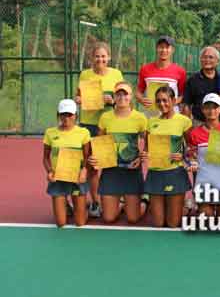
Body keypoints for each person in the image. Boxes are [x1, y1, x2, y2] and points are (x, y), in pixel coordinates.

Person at [87, 82, 148, 224]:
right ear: (114, 97)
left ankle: (144, 203)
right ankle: (121, 205)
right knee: (108, 218)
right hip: (111, 171)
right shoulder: (105, 118)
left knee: (133, 218)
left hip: (132, 171)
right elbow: (99, 140)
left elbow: (149, 141)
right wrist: (96, 158)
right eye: (118, 94)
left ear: (131, 97)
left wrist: (142, 156)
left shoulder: (140, 118)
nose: (122, 97)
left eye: (125, 94)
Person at [74, 42, 123, 218]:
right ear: (91, 58)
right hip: (89, 126)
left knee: (109, 165)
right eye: (97, 56)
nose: (100, 59)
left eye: (103, 56)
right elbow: (78, 95)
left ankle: (112, 199)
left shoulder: (116, 74)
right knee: (93, 166)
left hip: (109, 125)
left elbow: (124, 98)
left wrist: (113, 100)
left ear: (109, 57)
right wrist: (79, 99)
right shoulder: (85, 74)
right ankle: (95, 201)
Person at [141, 86, 193, 228]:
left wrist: (182, 156)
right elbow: (146, 148)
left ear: (174, 100)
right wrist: (144, 154)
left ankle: (184, 208)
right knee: (158, 224)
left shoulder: (184, 121)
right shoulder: (151, 122)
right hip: (155, 174)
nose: (162, 104)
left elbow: (191, 149)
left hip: (175, 173)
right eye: (158, 101)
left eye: (165, 100)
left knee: (172, 224)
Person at [42, 99, 91, 227]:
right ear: (58, 115)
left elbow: (87, 156)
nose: (66, 118)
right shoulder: (50, 133)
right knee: (61, 223)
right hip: (58, 180)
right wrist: (50, 172)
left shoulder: (84, 133)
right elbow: (45, 158)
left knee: (80, 223)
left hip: (77, 179)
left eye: (70, 114)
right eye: (63, 114)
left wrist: (84, 171)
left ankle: (84, 206)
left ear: (76, 115)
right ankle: (66, 205)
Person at [187, 93, 220, 219]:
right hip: (204, 182)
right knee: (206, 223)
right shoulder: (195, 133)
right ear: (203, 110)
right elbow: (190, 155)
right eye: (207, 107)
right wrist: (192, 162)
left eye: (215, 107)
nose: (211, 111)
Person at [135, 35, 187, 112]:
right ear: (156, 49)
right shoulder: (145, 69)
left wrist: (173, 102)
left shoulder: (180, 71)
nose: (164, 50)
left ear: (172, 50)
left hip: (171, 115)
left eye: (167, 47)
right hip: (151, 114)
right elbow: (138, 92)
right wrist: (142, 99)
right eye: (161, 47)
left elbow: (183, 95)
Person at [183, 46, 220, 126]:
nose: (207, 60)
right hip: (199, 123)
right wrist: (187, 125)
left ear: (217, 61)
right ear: (200, 60)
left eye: (211, 57)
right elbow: (186, 105)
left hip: (219, 123)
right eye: (204, 57)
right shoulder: (192, 80)